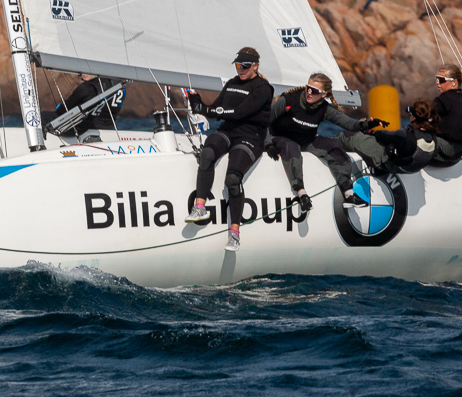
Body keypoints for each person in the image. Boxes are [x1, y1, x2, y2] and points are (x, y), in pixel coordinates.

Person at [186, 48, 274, 253]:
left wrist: (208, 110)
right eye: (238, 66)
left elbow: (241, 112)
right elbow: (218, 108)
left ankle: (234, 234)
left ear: (255, 66)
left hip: (251, 135)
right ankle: (200, 207)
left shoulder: (263, 88)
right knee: (207, 153)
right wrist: (199, 105)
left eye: (245, 66)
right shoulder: (232, 83)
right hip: (228, 130)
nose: (241, 70)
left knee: (233, 179)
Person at [264, 74, 383, 212]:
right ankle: (301, 194)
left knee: (334, 146)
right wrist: (268, 144)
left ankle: (349, 194)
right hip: (280, 138)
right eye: (308, 88)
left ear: (323, 94)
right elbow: (264, 122)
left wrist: (368, 124)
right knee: (291, 146)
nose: (309, 93)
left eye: (314, 91)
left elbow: (349, 124)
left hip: (305, 140)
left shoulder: (324, 109)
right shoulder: (289, 100)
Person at [339, 100, 440, 182]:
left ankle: (329, 145)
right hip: (407, 169)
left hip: (388, 162)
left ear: (414, 118)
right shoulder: (433, 139)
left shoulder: (406, 135)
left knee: (347, 136)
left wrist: (370, 131)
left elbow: (384, 135)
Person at [44, 74, 124, 136]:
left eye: (88, 71)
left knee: (43, 116)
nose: (84, 74)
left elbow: (62, 110)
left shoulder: (87, 88)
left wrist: (59, 108)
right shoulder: (119, 88)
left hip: (80, 129)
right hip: (107, 127)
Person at [430, 64, 462, 164]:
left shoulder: (444, 99)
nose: (437, 83)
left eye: (441, 80)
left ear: (454, 82)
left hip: (447, 150)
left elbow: (424, 114)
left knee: (414, 138)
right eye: (437, 79)